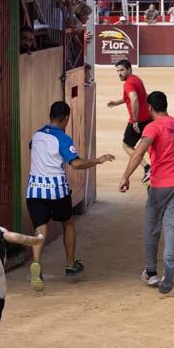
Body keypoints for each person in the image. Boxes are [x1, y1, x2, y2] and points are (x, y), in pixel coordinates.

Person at [26, 101, 114, 291]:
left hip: (34, 190)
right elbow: (75, 164)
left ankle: (37, 264)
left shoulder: (37, 135)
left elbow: (33, 147)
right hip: (57, 191)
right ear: (65, 119)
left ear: (50, 116)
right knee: (68, 223)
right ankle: (70, 263)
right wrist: (97, 160)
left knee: (40, 229)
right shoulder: (63, 139)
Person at [119, 91, 174, 295]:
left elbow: (139, 152)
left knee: (152, 226)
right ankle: (170, 262)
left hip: (161, 185)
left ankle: (151, 272)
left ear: (150, 108)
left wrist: (126, 176)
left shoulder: (153, 127)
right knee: (171, 226)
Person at [107, 59, 152, 184]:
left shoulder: (128, 84)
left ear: (129, 69)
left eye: (121, 70)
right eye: (118, 71)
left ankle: (148, 167)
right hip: (148, 119)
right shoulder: (136, 80)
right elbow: (138, 96)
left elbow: (134, 98)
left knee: (126, 145)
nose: (119, 73)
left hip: (137, 121)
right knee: (148, 145)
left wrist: (136, 121)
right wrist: (116, 102)